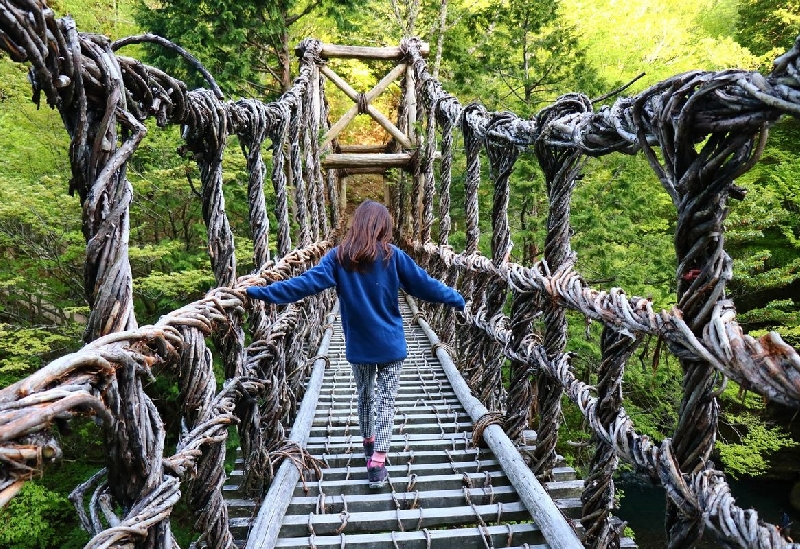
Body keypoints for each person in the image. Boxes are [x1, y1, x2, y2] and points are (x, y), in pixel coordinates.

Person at [245, 200, 465, 488]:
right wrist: (456, 298)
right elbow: (425, 285)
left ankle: (368, 442)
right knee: (386, 400)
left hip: (359, 346)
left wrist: (261, 292)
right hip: (391, 345)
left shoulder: (339, 258)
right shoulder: (392, 256)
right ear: (382, 226)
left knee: (364, 395)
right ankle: (378, 461)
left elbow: (304, 284)